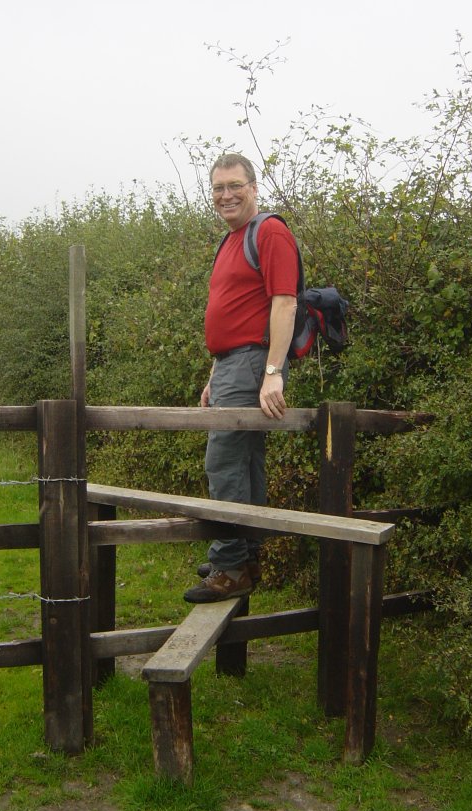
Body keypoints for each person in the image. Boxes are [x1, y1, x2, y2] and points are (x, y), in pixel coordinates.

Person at [183, 153, 299, 603]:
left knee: (224, 461)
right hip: (234, 364)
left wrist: (273, 373)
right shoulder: (232, 239)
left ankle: (230, 565)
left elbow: (284, 302)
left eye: (235, 186)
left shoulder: (269, 231)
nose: (226, 195)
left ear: (254, 187)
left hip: (253, 362)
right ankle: (246, 555)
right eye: (218, 188)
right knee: (246, 462)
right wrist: (216, 373)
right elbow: (232, 313)